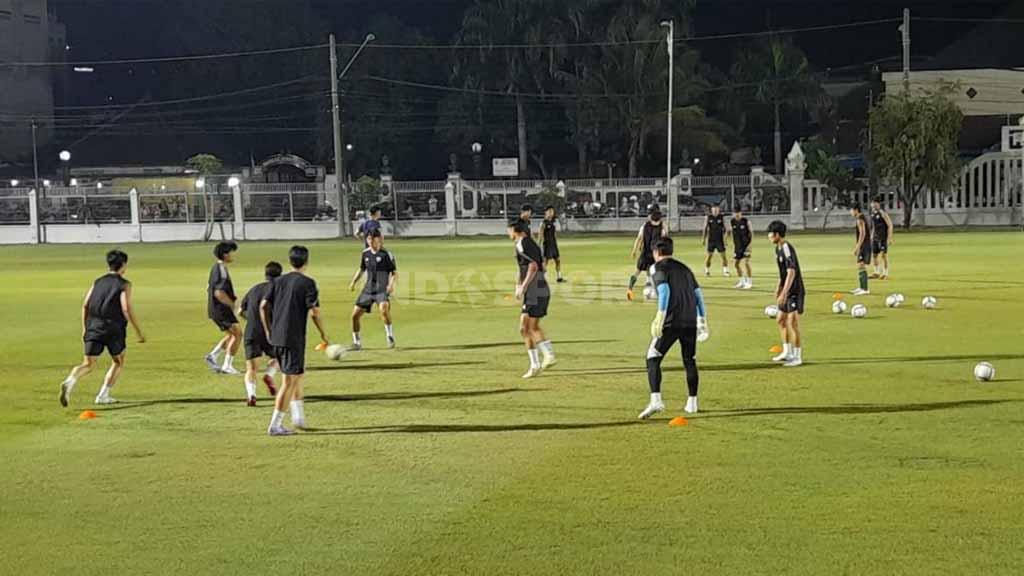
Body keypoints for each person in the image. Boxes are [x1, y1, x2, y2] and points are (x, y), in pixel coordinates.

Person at [59, 249, 146, 407]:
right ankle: (103, 395)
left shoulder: (98, 281)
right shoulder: (124, 284)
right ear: (124, 265)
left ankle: (69, 381)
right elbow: (126, 308)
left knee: (88, 364)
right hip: (113, 329)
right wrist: (139, 332)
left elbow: (85, 305)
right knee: (118, 361)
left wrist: (85, 328)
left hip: (94, 326)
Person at [260, 246, 328, 437]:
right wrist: (323, 334)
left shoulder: (278, 281)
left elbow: (263, 305)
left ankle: (298, 417)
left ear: (290, 261)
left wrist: (268, 330)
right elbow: (314, 312)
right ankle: (275, 425)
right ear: (306, 262)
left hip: (278, 337)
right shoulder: (308, 283)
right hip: (293, 337)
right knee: (289, 381)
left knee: (295, 375)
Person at [638, 237, 708, 419]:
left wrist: (659, 318)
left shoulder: (656, 268)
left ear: (655, 252)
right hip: (690, 320)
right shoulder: (685, 268)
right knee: (689, 360)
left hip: (671, 321)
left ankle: (656, 400)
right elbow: (698, 295)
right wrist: (702, 321)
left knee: (652, 358)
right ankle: (692, 403)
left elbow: (665, 291)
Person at [509, 218, 556, 379]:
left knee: (526, 327)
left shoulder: (523, 243)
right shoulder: (527, 243)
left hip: (535, 289)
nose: (508, 233)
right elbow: (525, 267)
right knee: (528, 327)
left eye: (509, 229)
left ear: (515, 230)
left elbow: (533, 266)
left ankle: (546, 357)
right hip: (538, 289)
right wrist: (518, 285)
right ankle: (538, 362)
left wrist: (523, 286)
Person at [237, 262, 283, 407]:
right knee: (280, 357)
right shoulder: (279, 290)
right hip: (270, 332)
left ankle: (251, 395)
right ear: (280, 275)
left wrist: (251, 320)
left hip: (251, 331)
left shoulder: (254, 289)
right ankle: (269, 375)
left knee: (251, 369)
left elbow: (240, 311)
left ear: (265, 274)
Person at [348, 229, 398, 350]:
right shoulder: (365, 253)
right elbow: (361, 269)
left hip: (382, 289)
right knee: (355, 316)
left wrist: (390, 285)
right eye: (368, 239)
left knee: (384, 310)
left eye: (373, 238)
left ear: (379, 239)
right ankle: (357, 342)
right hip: (368, 289)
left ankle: (389, 335)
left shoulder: (386, 254)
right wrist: (354, 282)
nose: (370, 241)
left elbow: (394, 273)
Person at [769, 221, 804, 367]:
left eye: (770, 234)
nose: (769, 237)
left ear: (777, 235)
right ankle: (786, 351)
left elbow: (791, 271)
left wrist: (784, 292)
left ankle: (797, 357)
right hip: (786, 289)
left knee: (792, 322)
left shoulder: (786, 248)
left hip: (794, 290)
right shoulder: (778, 249)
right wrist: (779, 287)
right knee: (780, 320)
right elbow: (783, 273)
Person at [204, 241, 241, 374]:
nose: (233, 255)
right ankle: (227, 365)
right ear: (225, 254)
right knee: (237, 334)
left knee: (232, 334)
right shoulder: (221, 270)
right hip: (221, 309)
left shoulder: (216, 268)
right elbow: (218, 292)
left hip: (215, 308)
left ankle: (212, 356)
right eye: (232, 252)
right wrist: (232, 304)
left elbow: (209, 288)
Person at [627, 206, 669, 301]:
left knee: (637, 272)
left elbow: (639, 239)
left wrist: (634, 250)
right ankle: (656, 291)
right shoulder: (662, 226)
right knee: (656, 273)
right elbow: (665, 238)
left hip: (645, 253)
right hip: (656, 254)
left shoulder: (644, 226)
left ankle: (630, 289)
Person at [701, 204, 730, 277]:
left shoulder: (722, 217)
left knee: (723, 256)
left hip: (720, 240)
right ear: (711, 210)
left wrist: (725, 239)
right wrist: (703, 239)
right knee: (709, 256)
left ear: (719, 210)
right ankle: (707, 271)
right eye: (714, 210)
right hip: (711, 240)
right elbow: (705, 228)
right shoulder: (708, 217)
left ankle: (725, 271)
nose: (715, 211)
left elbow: (727, 229)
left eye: (717, 209)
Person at [869, 197, 894, 279]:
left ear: (878, 204)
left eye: (875, 202)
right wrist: (871, 236)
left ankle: (885, 274)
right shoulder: (872, 213)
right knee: (874, 255)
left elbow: (890, 225)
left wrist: (890, 238)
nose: (873, 204)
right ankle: (876, 272)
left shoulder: (882, 213)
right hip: (875, 238)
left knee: (883, 255)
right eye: (872, 202)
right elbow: (873, 226)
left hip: (883, 237)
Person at [729, 207, 753, 289]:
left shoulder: (746, 221)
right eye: (735, 213)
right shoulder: (732, 221)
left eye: (738, 213)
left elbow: (751, 233)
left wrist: (750, 246)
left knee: (746, 263)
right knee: (736, 264)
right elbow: (732, 232)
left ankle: (749, 282)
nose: (736, 214)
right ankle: (742, 281)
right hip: (738, 247)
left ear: (741, 213)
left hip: (746, 246)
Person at [851, 204, 871, 295]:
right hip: (864, 244)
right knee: (860, 265)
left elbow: (863, 233)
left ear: (856, 210)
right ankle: (861, 287)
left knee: (861, 265)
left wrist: (857, 247)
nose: (850, 212)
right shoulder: (862, 217)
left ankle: (865, 289)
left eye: (851, 210)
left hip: (864, 245)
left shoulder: (860, 219)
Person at [541, 206, 564, 283]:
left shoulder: (553, 223)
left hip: (553, 244)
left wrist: (555, 243)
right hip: (546, 244)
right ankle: (542, 278)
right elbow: (540, 235)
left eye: (552, 211)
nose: (551, 213)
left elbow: (554, 234)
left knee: (558, 260)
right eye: (549, 211)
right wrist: (539, 245)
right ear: (546, 212)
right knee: (545, 262)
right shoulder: (543, 223)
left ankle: (559, 277)